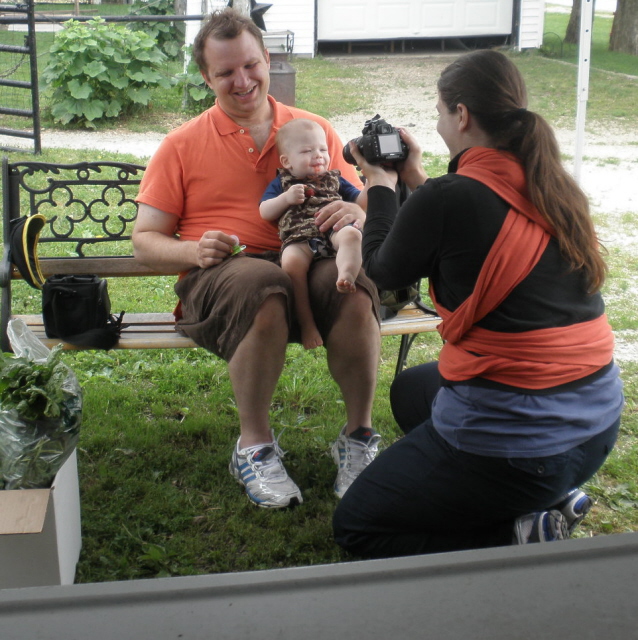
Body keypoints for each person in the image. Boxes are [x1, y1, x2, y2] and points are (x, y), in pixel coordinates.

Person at [332, 49, 624, 558]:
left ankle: (518, 532)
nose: (441, 123)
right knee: (411, 392)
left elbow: (381, 269)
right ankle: (550, 493)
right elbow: (464, 224)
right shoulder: (550, 183)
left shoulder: (448, 198)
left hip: (526, 449)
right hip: (596, 424)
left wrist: (380, 185)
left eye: (443, 112)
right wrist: (418, 175)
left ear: (462, 115)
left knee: (358, 526)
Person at [132, 8, 382, 509]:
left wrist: (354, 214)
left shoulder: (313, 131)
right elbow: (145, 240)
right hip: (223, 270)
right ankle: (255, 446)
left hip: (311, 255)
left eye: (250, 65)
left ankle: (359, 439)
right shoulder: (180, 146)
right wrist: (191, 248)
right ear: (207, 77)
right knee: (262, 285)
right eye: (225, 72)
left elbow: (358, 197)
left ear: (267, 58)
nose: (241, 81)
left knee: (351, 287)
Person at [260, 118, 367, 350]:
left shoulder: (335, 179)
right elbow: (264, 211)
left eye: (323, 149)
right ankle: (307, 323)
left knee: (351, 236)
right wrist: (285, 199)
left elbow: (361, 201)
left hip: (332, 229)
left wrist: (371, 180)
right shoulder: (283, 183)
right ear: (287, 161)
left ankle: (346, 274)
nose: (318, 155)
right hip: (298, 239)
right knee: (291, 264)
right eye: (307, 151)